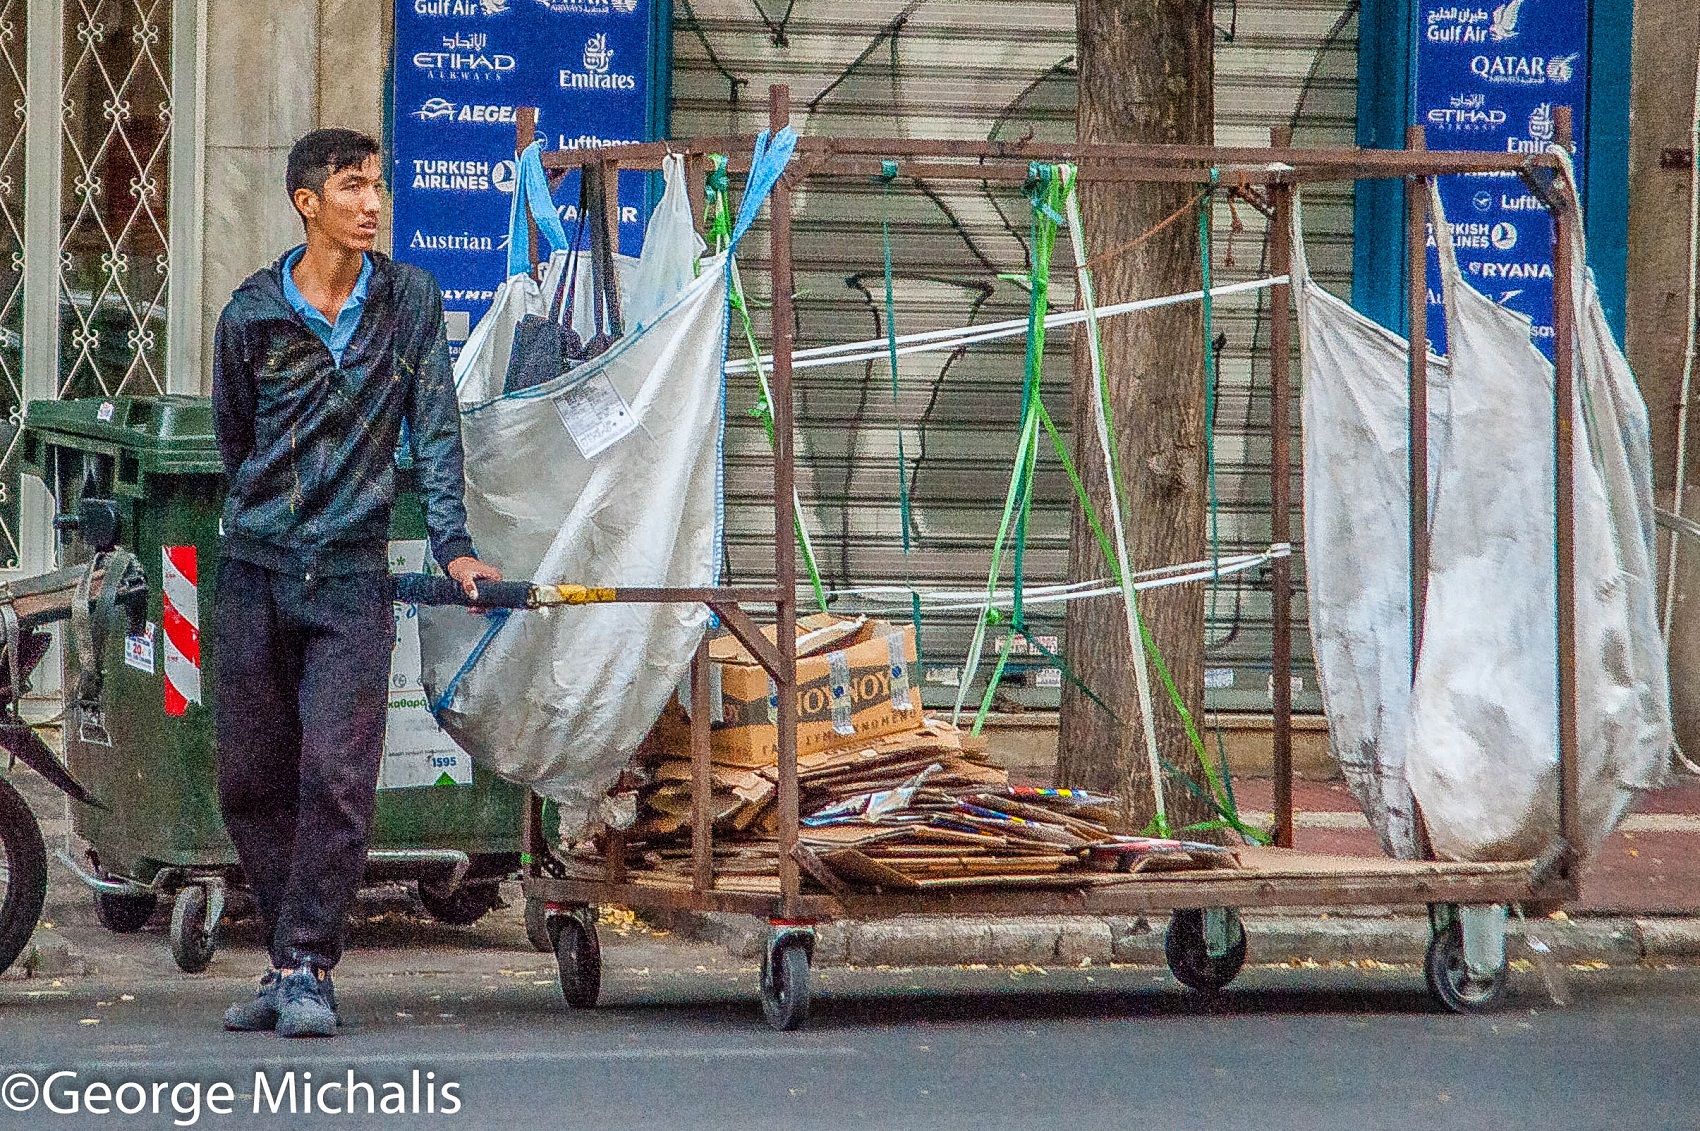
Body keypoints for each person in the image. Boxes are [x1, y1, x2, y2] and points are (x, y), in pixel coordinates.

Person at [210, 128, 500, 1038]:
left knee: (336, 773)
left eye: (378, 186)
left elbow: (437, 428)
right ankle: (282, 955)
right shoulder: (252, 313)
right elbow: (234, 438)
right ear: (307, 201)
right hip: (255, 573)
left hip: (349, 579)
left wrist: (452, 545)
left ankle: (305, 962)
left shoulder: (409, 301)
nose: (372, 204)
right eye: (351, 187)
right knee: (251, 779)